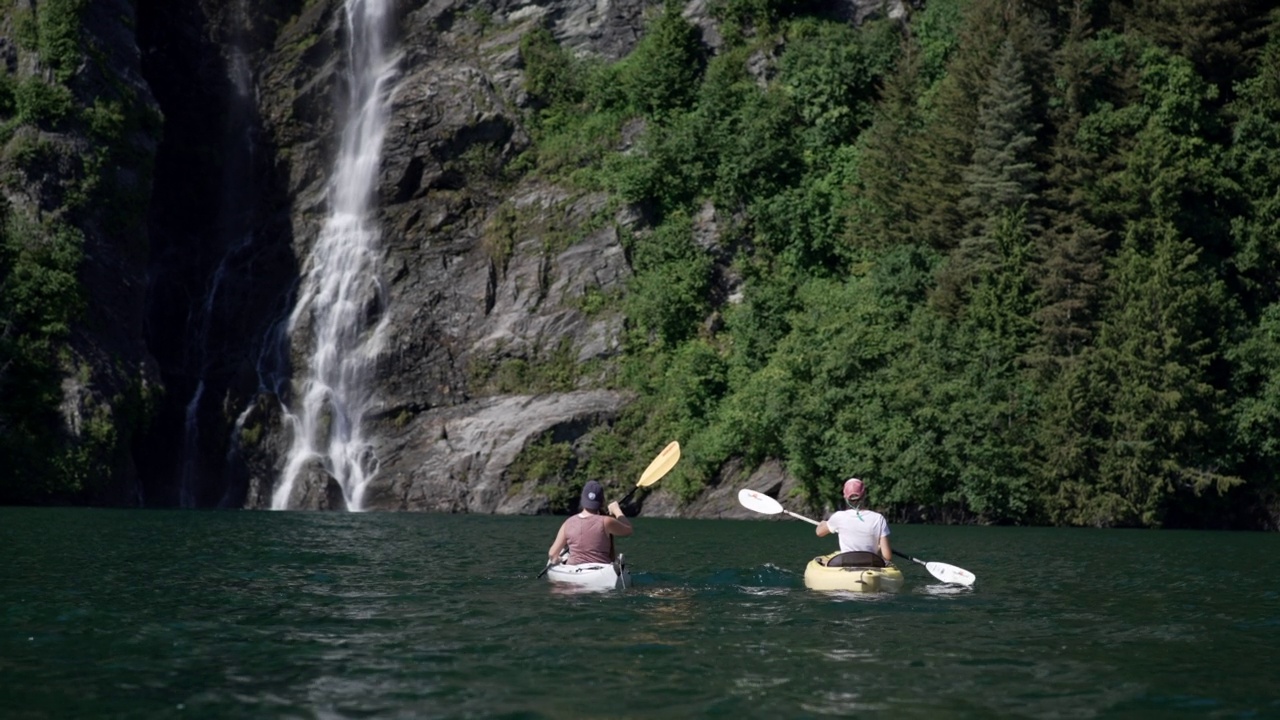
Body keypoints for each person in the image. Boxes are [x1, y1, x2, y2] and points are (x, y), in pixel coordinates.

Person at [547, 480, 633, 566]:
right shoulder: (606, 521)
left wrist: (559, 559)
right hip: (601, 570)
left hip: (573, 569)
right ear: (602, 502)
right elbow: (628, 529)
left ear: (582, 499)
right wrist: (616, 510)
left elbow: (552, 554)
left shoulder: (568, 523)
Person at [815, 477, 892, 567]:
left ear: (845, 497)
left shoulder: (838, 517)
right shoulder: (878, 518)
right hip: (871, 565)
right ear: (864, 495)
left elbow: (819, 532)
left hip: (846, 565)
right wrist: (878, 549)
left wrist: (823, 523)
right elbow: (887, 557)